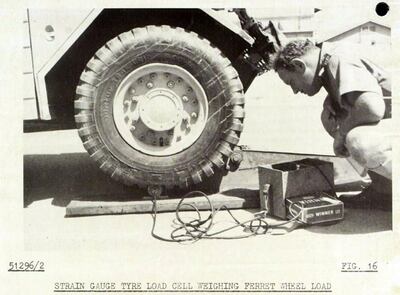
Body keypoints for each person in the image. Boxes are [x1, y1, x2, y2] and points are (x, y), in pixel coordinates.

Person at [273, 39, 392, 210]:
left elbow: (371, 108)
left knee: (359, 140)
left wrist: (341, 135)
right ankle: (384, 190)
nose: (295, 90)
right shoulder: (329, 61)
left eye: (291, 82)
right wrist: (333, 100)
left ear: (299, 65)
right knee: (331, 118)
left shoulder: (339, 58)